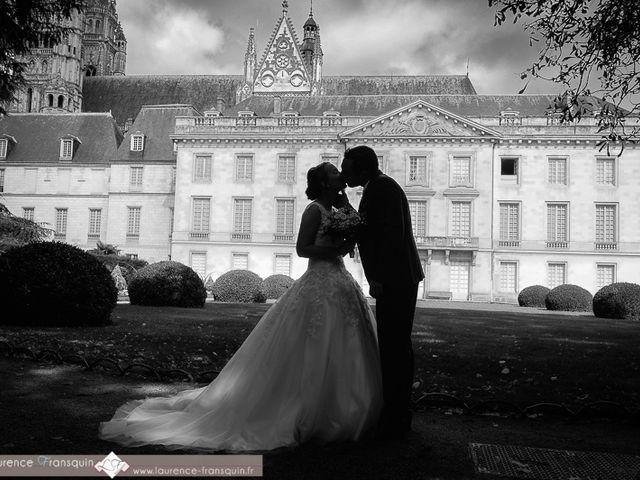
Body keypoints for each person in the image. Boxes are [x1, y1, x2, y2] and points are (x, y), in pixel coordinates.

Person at [98, 162, 383, 452]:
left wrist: (345, 207)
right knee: (313, 346)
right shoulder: (314, 211)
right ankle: (316, 412)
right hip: (321, 279)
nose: (341, 176)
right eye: (335, 173)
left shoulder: (335, 211)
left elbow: (354, 227)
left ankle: (338, 407)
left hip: (338, 280)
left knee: (339, 345)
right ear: (323, 182)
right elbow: (301, 249)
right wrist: (335, 248)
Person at [341, 145, 424, 439]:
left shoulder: (382, 189)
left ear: (363, 169)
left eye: (347, 169)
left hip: (396, 278)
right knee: (394, 345)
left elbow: (389, 238)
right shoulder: (378, 187)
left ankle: (397, 417)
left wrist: (377, 277)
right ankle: (397, 413)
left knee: (394, 346)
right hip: (400, 276)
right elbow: (369, 229)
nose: (343, 174)